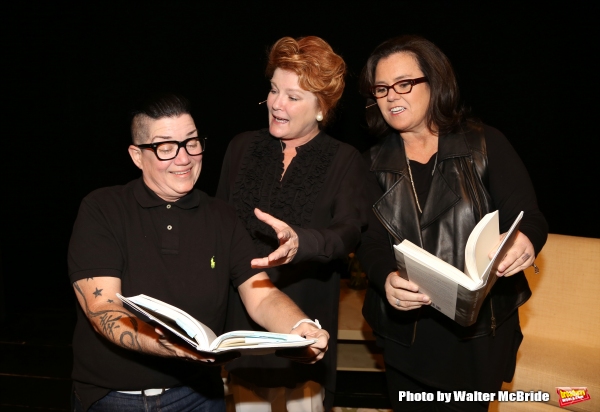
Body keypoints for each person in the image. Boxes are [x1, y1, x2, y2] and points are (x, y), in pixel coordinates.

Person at [67, 93, 330, 412]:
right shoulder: (103, 209)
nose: (184, 158)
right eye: (166, 147)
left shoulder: (223, 216)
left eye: (191, 142)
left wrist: (300, 327)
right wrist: (168, 346)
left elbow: (260, 294)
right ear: (137, 156)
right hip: (114, 398)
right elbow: (102, 306)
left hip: (199, 396)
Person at [356, 35, 548, 411]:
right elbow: (370, 244)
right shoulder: (369, 165)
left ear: (435, 82)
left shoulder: (485, 143)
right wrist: (385, 279)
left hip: (479, 333)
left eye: (404, 84)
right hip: (407, 333)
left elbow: (530, 218)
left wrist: (524, 241)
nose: (392, 96)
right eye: (381, 88)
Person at [216, 36, 367, 411]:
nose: (276, 104)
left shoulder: (343, 159)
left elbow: (349, 231)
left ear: (321, 108)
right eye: (273, 90)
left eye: (293, 97)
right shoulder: (240, 148)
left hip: (304, 329)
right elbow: (215, 230)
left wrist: (304, 241)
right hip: (243, 331)